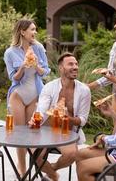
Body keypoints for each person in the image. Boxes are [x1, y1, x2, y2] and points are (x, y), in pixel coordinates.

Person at [29, 52, 91, 180]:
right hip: (46, 130)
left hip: (66, 132)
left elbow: (83, 120)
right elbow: (41, 109)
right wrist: (35, 119)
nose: (75, 67)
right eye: (70, 64)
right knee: (34, 152)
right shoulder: (49, 87)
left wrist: (69, 119)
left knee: (72, 154)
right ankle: (53, 176)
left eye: (76, 64)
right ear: (61, 68)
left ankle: (53, 168)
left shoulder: (84, 90)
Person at [3, 18, 51, 176]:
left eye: (35, 29)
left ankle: (36, 165)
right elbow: (14, 78)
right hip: (18, 95)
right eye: (32, 29)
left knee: (32, 132)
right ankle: (22, 168)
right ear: (22, 32)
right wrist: (23, 66)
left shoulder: (38, 48)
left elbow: (46, 71)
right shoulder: (10, 52)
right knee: (20, 133)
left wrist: (36, 65)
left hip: (34, 94)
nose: (35, 32)